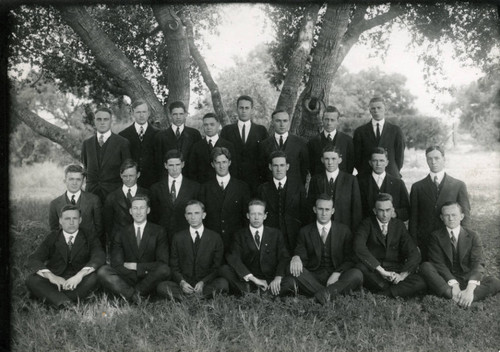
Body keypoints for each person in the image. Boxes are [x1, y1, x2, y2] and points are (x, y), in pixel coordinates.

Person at [420, 202, 500, 307]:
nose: (451, 218)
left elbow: (478, 263)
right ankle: (460, 298)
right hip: (446, 279)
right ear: (441, 217)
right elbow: (438, 263)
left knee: (495, 282)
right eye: (446, 215)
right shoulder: (435, 236)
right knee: (426, 266)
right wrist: (454, 284)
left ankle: (462, 297)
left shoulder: (473, 236)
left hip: (467, 278)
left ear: (461, 216)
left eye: (454, 215)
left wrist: (470, 289)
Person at [26, 205, 105, 308]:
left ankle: (56, 300)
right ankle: (68, 304)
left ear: (80, 220)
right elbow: (34, 258)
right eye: (67, 219)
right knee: (31, 279)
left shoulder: (89, 236)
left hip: (80, 283)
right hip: (56, 283)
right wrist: (52, 277)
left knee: (96, 276)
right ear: (60, 220)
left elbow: (99, 256)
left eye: (75, 218)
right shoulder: (53, 237)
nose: (71, 222)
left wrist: (79, 276)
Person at [289, 194, 363, 304]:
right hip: (314, 276)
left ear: (332, 211)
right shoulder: (305, 231)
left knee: (357, 274)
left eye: (327, 209)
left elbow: (350, 258)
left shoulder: (344, 230)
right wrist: (296, 257)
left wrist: (337, 273)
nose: (324, 213)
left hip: (337, 276)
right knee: (293, 270)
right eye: (320, 209)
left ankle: (316, 298)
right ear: (314, 209)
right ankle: (331, 294)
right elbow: (301, 254)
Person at [98, 196, 170, 302]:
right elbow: (117, 264)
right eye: (135, 208)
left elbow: (162, 263)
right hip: (128, 277)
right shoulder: (121, 232)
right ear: (130, 211)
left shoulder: (159, 231)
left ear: (148, 210)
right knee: (103, 271)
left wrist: (137, 267)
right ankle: (135, 296)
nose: (138, 212)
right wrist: (132, 274)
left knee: (165, 270)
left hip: (149, 277)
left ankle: (130, 295)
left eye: (142, 208)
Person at [354, 193, 426, 298]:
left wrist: (402, 275)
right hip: (375, 271)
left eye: (388, 210)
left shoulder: (399, 225)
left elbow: (413, 252)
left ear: (393, 210)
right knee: (360, 267)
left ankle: (383, 294)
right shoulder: (366, 224)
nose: (385, 214)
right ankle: (396, 291)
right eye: (381, 210)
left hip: (395, 270)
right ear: (375, 211)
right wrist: (382, 271)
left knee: (421, 281)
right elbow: (359, 247)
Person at [220, 199, 296, 296]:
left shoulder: (275, 234)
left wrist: (278, 277)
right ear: (248, 216)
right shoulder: (239, 235)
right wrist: (254, 279)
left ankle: (254, 294)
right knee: (224, 269)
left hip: (270, 280)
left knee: (291, 281)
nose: (256, 218)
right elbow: (234, 258)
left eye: (259, 214)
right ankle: (263, 294)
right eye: (253, 214)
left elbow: (284, 257)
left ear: (265, 216)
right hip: (249, 281)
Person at [157, 201, 228, 300]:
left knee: (223, 284)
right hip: (185, 283)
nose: (193, 217)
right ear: (185, 216)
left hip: (205, 283)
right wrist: (182, 282)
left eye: (197, 213)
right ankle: (196, 298)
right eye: (189, 214)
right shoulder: (178, 237)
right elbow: (174, 266)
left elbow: (217, 267)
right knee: (162, 287)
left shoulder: (215, 237)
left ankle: (188, 299)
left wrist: (203, 282)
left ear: (203, 215)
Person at [409, 145, 471, 261]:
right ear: (426, 160)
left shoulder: (458, 185)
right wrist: (413, 244)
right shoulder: (417, 187)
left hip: (451, 240)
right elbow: (413, 219)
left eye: (437, 158)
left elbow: (465, 216)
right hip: (425, 242)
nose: (433, 162)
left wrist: (464, 241)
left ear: (444, 159)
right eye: (429, 159)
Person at [198, 147, 251, 252]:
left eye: (224, 162)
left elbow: (246, 217)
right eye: (218, 163)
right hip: (212, 242)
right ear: (212, 164)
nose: (221, 166)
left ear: (229, 163)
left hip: (236, 241)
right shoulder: (205, 188)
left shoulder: (242, 187)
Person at [257, 151, 309, 253]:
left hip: (293, 239)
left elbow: (304, 215)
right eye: (275, 165)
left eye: (282, 165)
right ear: (270, 167)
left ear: (287, 166)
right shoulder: (262, 189)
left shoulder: (298, 188)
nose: (279, 169)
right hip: (270, 239)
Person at [81, 106, 131, 204]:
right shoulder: (87, 144)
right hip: (91, 195)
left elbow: (127, 170)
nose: (102, 122)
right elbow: (86, 167)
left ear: (111, 121)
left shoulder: (122, 143)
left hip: (114, 196)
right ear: (94, 121)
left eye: (106, 119)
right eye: (99, 119)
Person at [220, 95, 268, 194]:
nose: (244, 111)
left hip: (255, 181)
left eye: (247, 108)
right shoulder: (227, 130)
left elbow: (265, 157)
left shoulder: (261, 130)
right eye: (241, 108)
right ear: (237, 109)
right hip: (232, 179)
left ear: (252, 110)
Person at [149, 150, 200, 244]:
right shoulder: (155, 188)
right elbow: (153, 216)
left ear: (183, 164)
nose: (175, 168)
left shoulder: (194, 187)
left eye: (177, 164)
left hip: (186, 237)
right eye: (171, 165)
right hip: (162, 238)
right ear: (165, 165)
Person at [308, 145, 362, 231]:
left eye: (333, 159)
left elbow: (356, 210)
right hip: (321, 229)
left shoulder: (351, 180)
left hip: (344, 229)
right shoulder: (315, 180)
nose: (330, 162)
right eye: (326, 159)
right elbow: (311, 207)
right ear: (322, 160)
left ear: (340, 160)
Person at [49, 164, 103, 245]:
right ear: (65, 180)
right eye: (71, 179)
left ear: (83, 181)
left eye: (78, 179)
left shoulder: (94, 200)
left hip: (89, 246)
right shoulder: (55, 204)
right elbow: (54, 230)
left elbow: (99, 228)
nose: (74, 183)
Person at [353, 97, 405, 178]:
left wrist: (393, 170)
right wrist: (364, 171)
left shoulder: (396, 131)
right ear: (370, 110)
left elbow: (400, 157)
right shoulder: (360, 131)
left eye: (379, 108)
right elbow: (356, 158)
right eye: (373, 108)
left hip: (390, 175)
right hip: (367, 176)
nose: (376, 110)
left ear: (385, 109)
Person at [103, 159, 150, 248]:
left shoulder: (147, 194)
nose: (128, 179)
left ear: (138, 175)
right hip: (120, 243)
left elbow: (151, 220)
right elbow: (108, 224)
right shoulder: (111, 197)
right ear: (121, 175)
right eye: (125, 176)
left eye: (131, 176)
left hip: (143, 242)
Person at [357, 147, 410, 221]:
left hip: (392, 228)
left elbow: (407, 210)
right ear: (370, 163)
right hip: (367, 228)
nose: (378, 164)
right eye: (375, 161)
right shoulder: (359, 182)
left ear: (387, 162)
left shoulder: (398, 183)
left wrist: (396, 213)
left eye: (382, 161)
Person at [258, 110, 309, 185]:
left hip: (294, 190)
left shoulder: (300, 143)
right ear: (272, 122)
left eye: (285, 121)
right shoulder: (263, 145)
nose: (282, 124)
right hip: (270, 190)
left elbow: (304, 170)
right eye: (278, 121)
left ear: (289, 122)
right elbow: (261, 170)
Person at [154, 101, 202, 180]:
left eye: (181, 114)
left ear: (185, 115)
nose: (178, 117)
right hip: (168, 179)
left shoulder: (194, 134)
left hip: (191, 179)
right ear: (170, 115)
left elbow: (198, 160)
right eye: (175, 114)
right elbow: (158, 162)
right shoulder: (160, 136)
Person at [119, 99, 160, 188]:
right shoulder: (123, 135)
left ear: (148, 113)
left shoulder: (159, 134)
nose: (141, 115)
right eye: (138, 112)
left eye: (144, 112)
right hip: (131, 183)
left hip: (153, 183)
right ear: (133, 113)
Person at [188, 112, 238, 183]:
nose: (209, 127)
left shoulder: (229, 145)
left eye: (212, 124)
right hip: (202, 188)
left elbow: (233, 170)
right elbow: (192, 172)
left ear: (218, 125)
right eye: (206, 125)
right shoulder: (196, 147)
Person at [307, 105, 354, 175]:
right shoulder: (313, 142)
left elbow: (350, 164)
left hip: (342, 182)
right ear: (322, 120)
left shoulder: (348, 141)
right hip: (320, 182)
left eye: (332, 120)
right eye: (326, 119)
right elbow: (311, 166)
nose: (329, 123)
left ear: (338, 121)